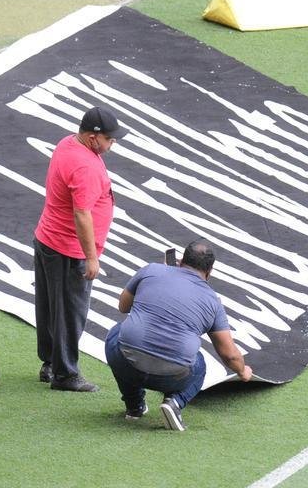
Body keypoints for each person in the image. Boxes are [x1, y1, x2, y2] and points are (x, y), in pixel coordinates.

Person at [104, 239, 252, 430]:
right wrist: (243, 372)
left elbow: (123, 306)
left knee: (117, 333)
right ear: (209, 272)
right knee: (199, 364)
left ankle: (134, 406)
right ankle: (175, 402)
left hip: (126, 363)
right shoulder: (213, 302)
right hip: (172, 376)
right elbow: (230, 355)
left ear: (181, 261)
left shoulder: (151, 270)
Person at [33, 106, 127, 392]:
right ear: (92, 137)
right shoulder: (85, 166)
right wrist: (91, 257)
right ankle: (65, 375)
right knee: (70, 313)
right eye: (109, 138)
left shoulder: (67, 143)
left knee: (50, 307)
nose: (112, 143)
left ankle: (50, 364)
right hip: (68, 249)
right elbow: (82, 213)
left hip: (48, 239)